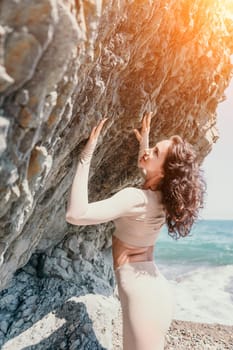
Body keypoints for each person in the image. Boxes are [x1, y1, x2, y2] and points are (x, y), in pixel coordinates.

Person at [66, 112, 206, 350]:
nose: (148, 151)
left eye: (156, 152)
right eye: (152, 147)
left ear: (163, 172)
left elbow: (76, 215)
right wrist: (145, 143)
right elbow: (150, 174)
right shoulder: (165, 198)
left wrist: (85, 155)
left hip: (143, 299)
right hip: (156, 290)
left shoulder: (135, 198)